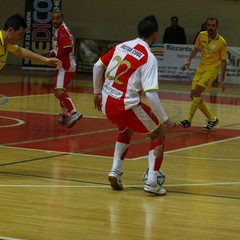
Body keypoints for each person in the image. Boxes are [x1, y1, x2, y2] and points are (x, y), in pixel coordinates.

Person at [93, 15, 176, 196]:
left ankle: (115, 170)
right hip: (126, 105)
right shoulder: (148, 57)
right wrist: (165, 118)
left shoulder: (121, 46)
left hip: (107, 103)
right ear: (155, 35)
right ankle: (152, 182)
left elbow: (97, 66)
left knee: (126, 130)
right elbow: (151, 94)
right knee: (159, 133)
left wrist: (97, 92)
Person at [178, 17, 227, 131]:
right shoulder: (201, 35)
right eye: (209, 25)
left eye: (213, 25)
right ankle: (212, 118)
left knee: (196, 93)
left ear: (216, 27)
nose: (211, 27)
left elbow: (224, 61)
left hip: (212, 71)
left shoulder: (222, 42)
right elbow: (196, 49)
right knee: (193, 95)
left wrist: (222, 80)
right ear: (206, 25)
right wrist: (189, 60)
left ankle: (188, 120)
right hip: (201, 69)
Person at [44, 10, 82, 128]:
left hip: (65, 65)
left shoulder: (62, 31)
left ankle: (74, 112)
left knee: (58, 91)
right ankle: (65, 115)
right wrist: (53, 52)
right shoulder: (59, 30)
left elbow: (67, 48)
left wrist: (55, 56)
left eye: (58, 18)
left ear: (62, 18)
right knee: (60, 91)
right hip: (64, 65)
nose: (55, 20)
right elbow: (61, 47)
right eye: (53, 18)